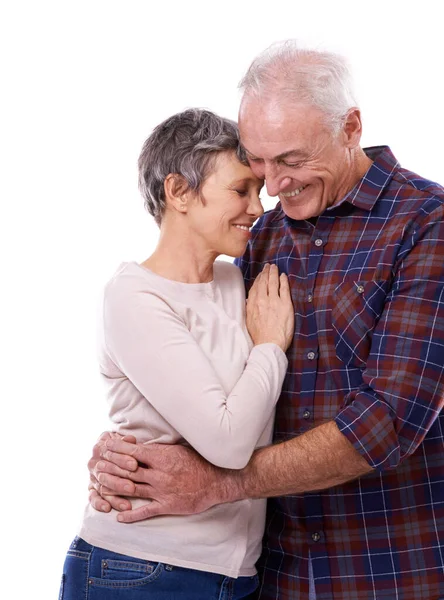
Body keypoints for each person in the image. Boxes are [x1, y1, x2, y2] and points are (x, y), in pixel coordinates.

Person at [89, 42, 444, 600]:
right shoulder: (261, 240)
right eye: (258, 164)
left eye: (291, 160)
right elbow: (217, 385)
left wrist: (214, 484)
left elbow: (389, 422)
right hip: (279, 576)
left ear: (350, 126)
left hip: (404, 572)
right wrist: (131, 453)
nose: (274, 186)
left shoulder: (434, 225)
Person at [60, 108, 295, 600]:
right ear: (179, 192)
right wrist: (271, 347)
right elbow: (228, 442)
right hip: (141, 571)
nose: (258, 206)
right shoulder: (133, 297)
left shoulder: (236, 280)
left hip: (238, 576)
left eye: (257, 190)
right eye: (240, 191)